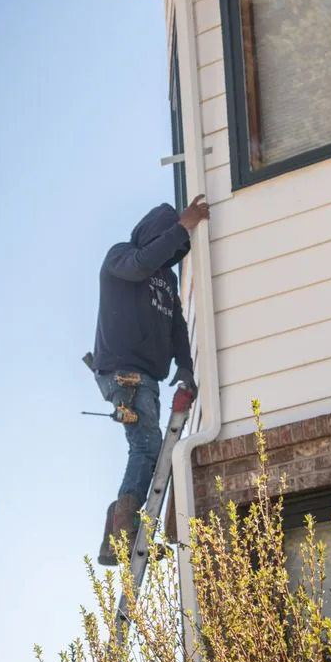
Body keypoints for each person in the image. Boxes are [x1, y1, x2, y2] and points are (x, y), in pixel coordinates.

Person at [90, 195, 210, 565]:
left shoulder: (168, 279)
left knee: (150, 447)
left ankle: (117, 532)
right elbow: (141, 264)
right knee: (146, 446)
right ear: (156, 233)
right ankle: (124, 530)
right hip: (122, 370)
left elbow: (176, 328)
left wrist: (186, 368)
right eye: (170, 240)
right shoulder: (120, 255)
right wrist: (181, 226)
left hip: (147, 377)